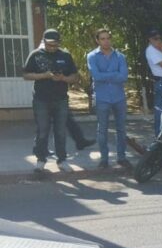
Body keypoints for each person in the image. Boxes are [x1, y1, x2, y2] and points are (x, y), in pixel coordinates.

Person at [22, 28, 80, 172]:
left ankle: (62, 160)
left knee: (60, 131)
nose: (52, 47)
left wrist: (64, 78)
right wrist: (44, 75)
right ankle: (41, 160)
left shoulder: (65, 55)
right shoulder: (35, 55)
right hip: (41, 100)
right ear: (44, 41)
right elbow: (25, 75)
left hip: (61, 99)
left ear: (59, 43)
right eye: (49, 44)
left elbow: (75, 76)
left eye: (55, 45)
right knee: (42, 131)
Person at [86, 28, 131, 169]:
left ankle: (121, 157)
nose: (106, 41)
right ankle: (104, 159)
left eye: (108, 38)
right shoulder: (92, 56)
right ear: (97, 40)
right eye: (103, 38)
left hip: (119, 97)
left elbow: (123, 76)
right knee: (102, 129)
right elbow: (96, 76)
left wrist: (105, 74)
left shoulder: (120, 57)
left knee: (121, 129)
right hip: (102, 97)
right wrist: (113, 74)